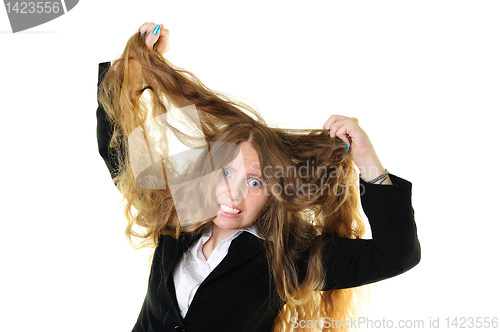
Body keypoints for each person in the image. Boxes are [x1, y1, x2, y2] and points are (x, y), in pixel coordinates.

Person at [96, 22, 421, 332]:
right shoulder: (179, 217)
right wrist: (127, 71)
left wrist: (366, 160)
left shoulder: (288, 258)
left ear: (274, 191)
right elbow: (120, 160)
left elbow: (396, 255)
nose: (233, 195)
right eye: (226, 173)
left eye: (255, 182)